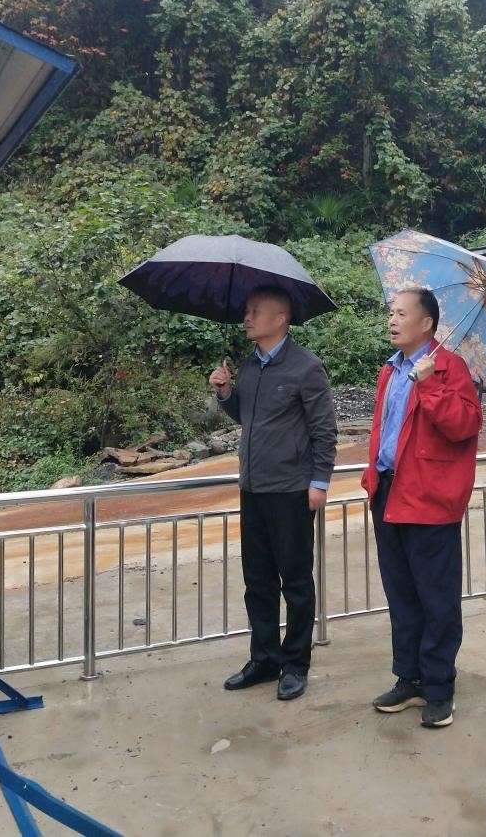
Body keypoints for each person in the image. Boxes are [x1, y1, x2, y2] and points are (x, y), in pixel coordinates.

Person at [360, 287, 482, 728]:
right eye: (390, 312)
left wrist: (431, 384)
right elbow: (383, 429)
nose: (392, 320)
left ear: (427, 323)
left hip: (429, 498)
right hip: (389, 493)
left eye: (401, 313)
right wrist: (371, 478)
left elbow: (465, 426)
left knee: (437, 598)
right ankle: (409, 678)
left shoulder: (450, 367)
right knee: (402, 594)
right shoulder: (390, 370)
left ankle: (438, 687)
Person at [210, 285, 337, 701]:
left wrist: (319, 482)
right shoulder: (249, 365)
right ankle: (264, 659)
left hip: (291, 491)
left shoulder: (306, 367)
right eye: (246, 311)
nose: (247, 317)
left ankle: (295, 663)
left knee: (296, 582)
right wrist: (225, 393)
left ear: (280, 319)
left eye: (255, 311)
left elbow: (324, 430)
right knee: (257, 581)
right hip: (253, 489)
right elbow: (246, 416)